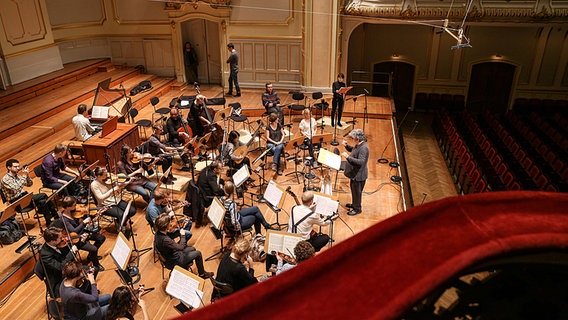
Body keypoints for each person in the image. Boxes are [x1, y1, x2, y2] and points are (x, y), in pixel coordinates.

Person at [153, 213, 213, 279]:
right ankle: (202, 274)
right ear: (166, 225)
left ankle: (187, 267)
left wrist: (180, 228)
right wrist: (183, 235)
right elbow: (180, 247)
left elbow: (170, 236)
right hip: (174, 261)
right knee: (198, 254)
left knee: (192, 249)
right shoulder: (165, 240)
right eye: (169, 222)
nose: (170, 223)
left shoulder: (158, 233)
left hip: (170, 256)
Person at [1, 159, 56, 224]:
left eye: (18, 166)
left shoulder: (17, 175)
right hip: (16, 202)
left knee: (42, 201)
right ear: (9, 167)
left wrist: (27, 175)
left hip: (24, 197)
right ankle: (54, 214)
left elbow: (29, 184)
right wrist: (24, 176)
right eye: (15, 167)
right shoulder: (5, 179)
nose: (18, 168)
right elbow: (16, 188)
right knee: (43, 195)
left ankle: (49, 221)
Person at [58, 196, 106, 271]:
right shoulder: (64, 220)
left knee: (101, 238)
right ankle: (96, 265)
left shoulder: (75, 212)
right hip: (76, 238)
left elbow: (86, 218)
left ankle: (91, 256)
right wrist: (83, 223)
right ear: (67, 207)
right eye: (74, 205)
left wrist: (96, 214)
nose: (76, 206)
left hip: (84, 232)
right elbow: (74, 231)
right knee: (93, 249)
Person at [38, 226, 76, 298]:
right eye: (60, 238)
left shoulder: (57, 244)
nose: (63, 239)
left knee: (92, 269)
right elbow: (60, 267)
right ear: (53, 241)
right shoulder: (45, 254)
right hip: (59, 278)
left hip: (67, 269)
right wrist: (72, 252)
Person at [341, 129, 370, 216]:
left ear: (358, 139)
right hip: (355, 174)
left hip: (359, 175)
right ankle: (354, 205)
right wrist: (346, 146)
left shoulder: (364, 148)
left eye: (353, 138)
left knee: (357, 193)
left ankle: (357, 209)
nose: (352, 140)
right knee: (354, 191)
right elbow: (354, 150)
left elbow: (361, 162)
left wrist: (348, 157)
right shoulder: (359, 145)